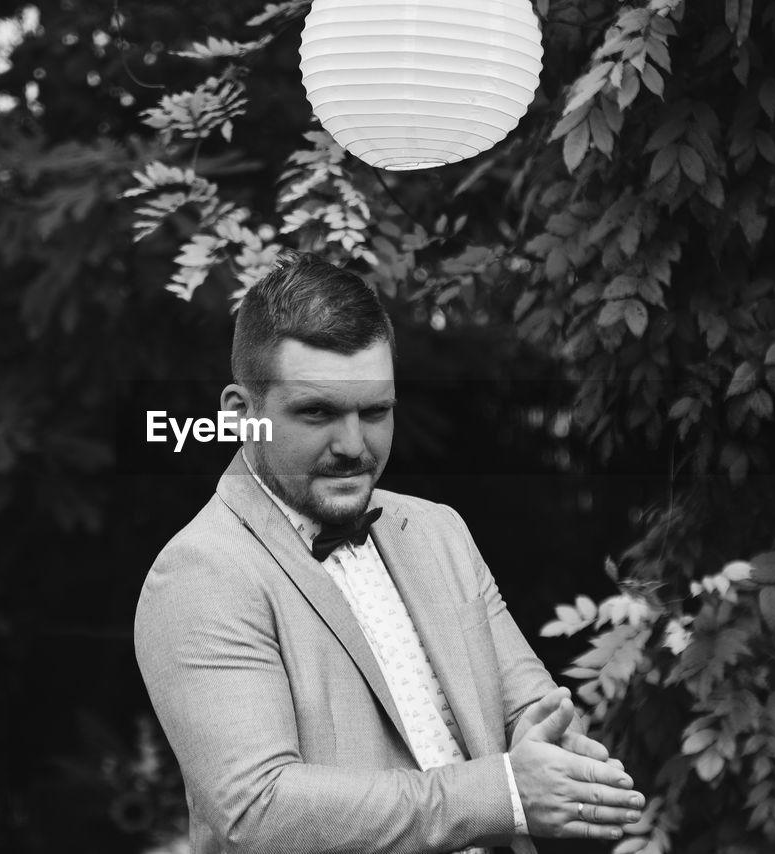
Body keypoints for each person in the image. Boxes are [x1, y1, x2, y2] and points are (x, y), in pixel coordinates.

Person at [134, 252, 644, 854]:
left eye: (375, 411)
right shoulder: (201, 572)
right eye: (317, 412)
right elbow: (259, 813)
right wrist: (504, 791)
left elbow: (534, 711)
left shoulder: (438, 531)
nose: (354, 445)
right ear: (242, 416)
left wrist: (556, 752)